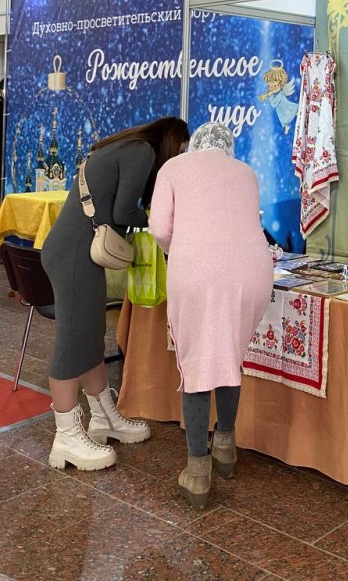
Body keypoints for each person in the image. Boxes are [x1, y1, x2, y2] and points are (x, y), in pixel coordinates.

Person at [42, 116, 189, 472]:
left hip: (76, 252)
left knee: (90, 336)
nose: (179, 158)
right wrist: (166, 218)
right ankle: (66, 437)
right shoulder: (141, 152)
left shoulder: (124, 146)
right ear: (170, 141)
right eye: (181, 150)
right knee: (72, 341)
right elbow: (123, 212)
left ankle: (105, 418)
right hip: (74, 255)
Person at [149, 121, 274, 510]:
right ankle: (225, 446)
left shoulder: (173, 167)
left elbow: (159, 228)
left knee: (200, 363)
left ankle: (197, 472)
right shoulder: (246, 172)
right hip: (253, 274)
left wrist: (185, 247)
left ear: (195, 144)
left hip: (197, 272)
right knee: (229, 357)